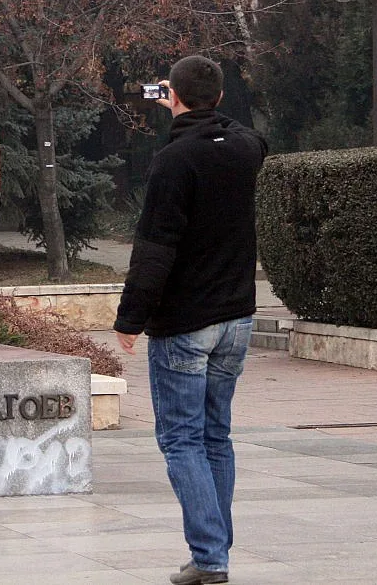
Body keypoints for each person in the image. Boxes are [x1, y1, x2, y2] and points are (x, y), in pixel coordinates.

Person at [114, 56, 267, 585]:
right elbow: (243, 134)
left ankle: (210, 558)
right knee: (215, 437)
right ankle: (214, 552)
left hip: (186, 323)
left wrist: (130, 318)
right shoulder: (245, 148)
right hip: (236, 319)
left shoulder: (174, 160)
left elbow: (155, 248)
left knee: (182, 440)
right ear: (220, 99)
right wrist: (192, 108)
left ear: (173, 96)